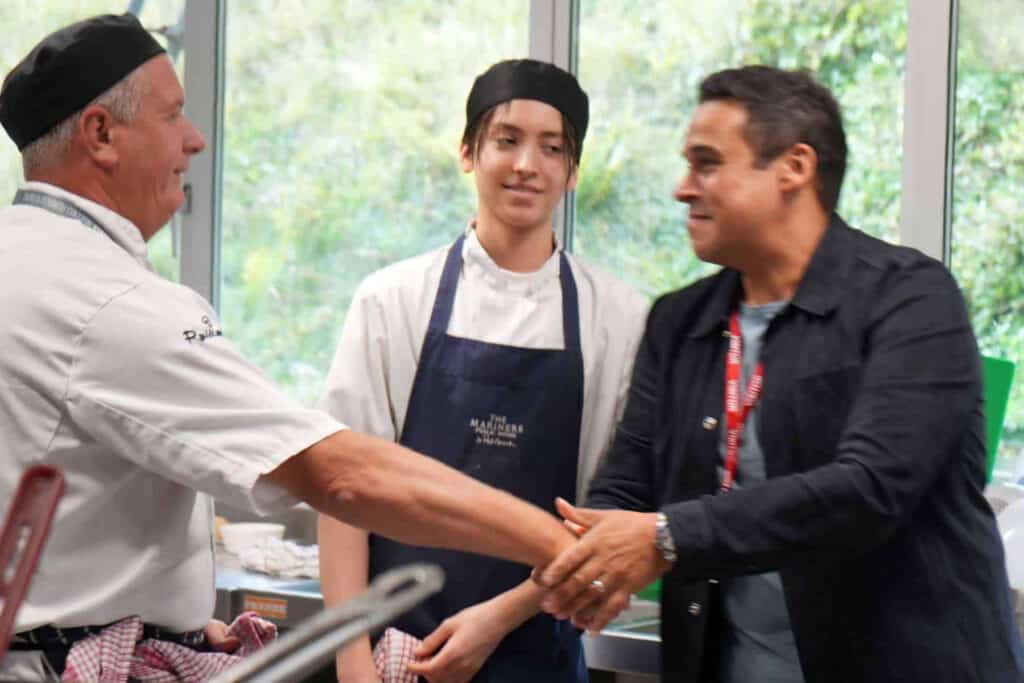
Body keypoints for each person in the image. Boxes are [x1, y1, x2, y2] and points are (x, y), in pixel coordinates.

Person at [0, 15, 580, 681]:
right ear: (101, 134)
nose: (195, 140)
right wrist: (559, 545)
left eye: (554, 148)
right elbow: (340, 474)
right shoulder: (110, 301)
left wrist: (166, 617)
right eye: (174, 115)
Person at [536, 65, 1024, 683]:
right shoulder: (680, 321)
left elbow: (868, 489)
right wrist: (578, 568)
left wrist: (666, 536)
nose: (682, 189)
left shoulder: (910, 300)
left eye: (707, 163)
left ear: (794, 167)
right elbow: (629, 486)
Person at [317, 59, 647, 683]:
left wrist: (498, 617)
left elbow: (607, 514)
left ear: (572, 173)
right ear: (468, 152)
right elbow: (341, 491)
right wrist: (352, 660)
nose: (527, 164)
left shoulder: (618, 318)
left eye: (552, 149)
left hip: (539, 655)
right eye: (507, 140)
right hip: (396, 657)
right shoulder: (393, 300)